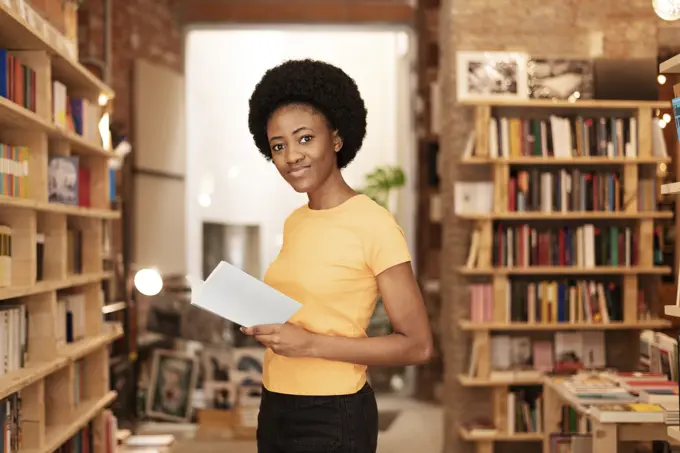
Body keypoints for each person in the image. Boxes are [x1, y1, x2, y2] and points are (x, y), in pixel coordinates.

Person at [242, 58, 433, 453]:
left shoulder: (374, 223)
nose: (292, 155)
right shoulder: (297, 221)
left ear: (336, 139)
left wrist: (309, 344)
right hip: (275, 402)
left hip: (332, 413)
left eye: (305, 138)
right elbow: (309, 312)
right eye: (279, 146)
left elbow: (417, 345)